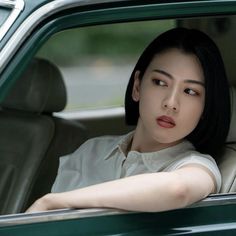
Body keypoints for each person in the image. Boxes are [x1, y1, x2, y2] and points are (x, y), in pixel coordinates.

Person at [26, 27, 230, 213]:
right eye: (160, 82)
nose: (171, 103)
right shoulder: (91, 151)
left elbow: (178, 189)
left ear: (205, 107)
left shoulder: (196, 167)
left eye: (190, 91)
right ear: (137, 87)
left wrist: (54, 202)